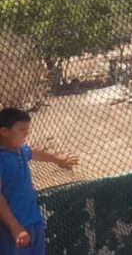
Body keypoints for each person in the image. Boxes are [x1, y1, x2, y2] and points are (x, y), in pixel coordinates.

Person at [0, 108, 79, 255]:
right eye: (22, 129)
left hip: (33, 220)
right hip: (12, 227)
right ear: (4, 131)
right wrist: (14, 226)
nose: (27, 133)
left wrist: (58, 159)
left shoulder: (20, 150)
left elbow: (35, 152)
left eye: (28, 129)